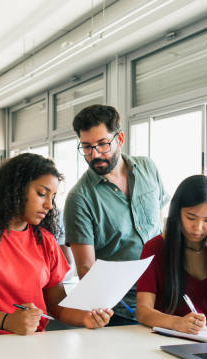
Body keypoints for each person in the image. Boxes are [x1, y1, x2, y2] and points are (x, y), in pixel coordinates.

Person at [0, 153, 113, 338]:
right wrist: (7, 321)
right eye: (41, 194)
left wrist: (86, 317)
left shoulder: (45, 240)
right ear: (15, 189)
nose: (49, 205)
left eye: (52, 197)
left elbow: (57, 305)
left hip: (26, 341)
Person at [64, 104, 169, 326]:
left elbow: (160, 226)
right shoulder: (79, 198)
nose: (94, 154)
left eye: (102, 144)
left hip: (164, 297)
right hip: (121, 310)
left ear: (119, 138)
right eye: (86, 147)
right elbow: (86, 269)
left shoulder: (148, 168)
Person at [135, 175, 207, 334]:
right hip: (165, 340)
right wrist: (176, 322)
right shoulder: (154, 248)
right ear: (177, 212)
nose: (198, 228)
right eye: (191, 217)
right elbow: (143, 311)